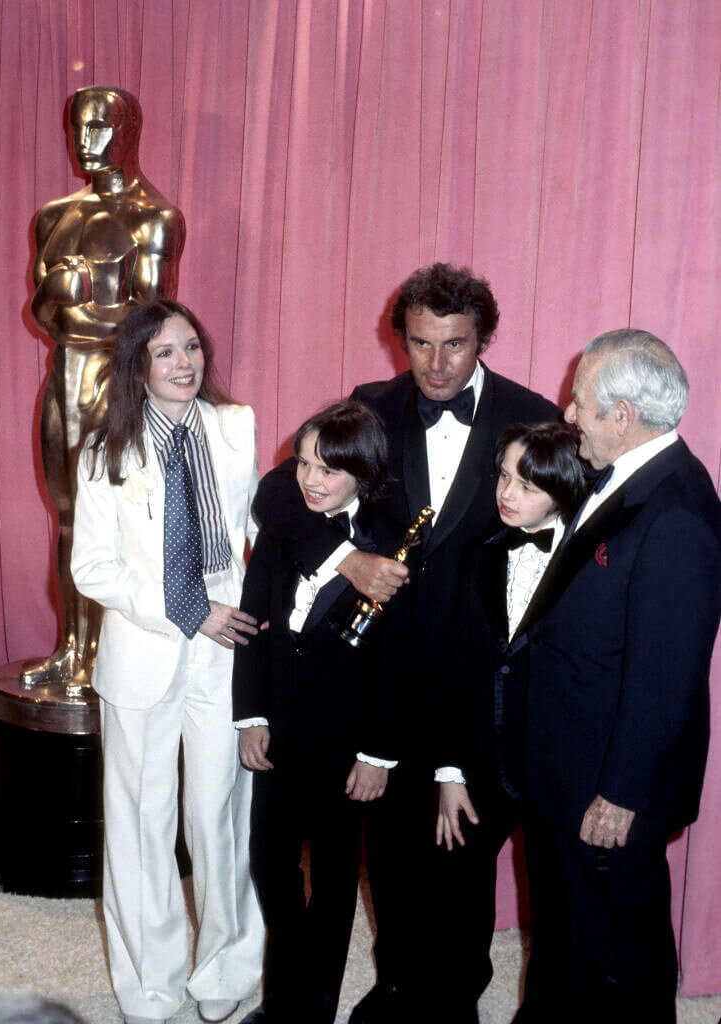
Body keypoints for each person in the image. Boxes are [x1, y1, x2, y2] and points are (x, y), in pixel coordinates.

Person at [251, 263, 559, 1023]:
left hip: (477, 683)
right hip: (378, 681)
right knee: (385, 857)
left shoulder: (532, 415)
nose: (435, 363)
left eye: (453, 344)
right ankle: (392, 990)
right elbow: (277, 493)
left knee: (461, 859)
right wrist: (344, 558)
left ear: (482, 337)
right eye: (419, 343)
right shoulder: (372, 407)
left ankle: (451, 1002)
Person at [517, 330, 721, 1023]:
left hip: (609, 780)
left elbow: (665, 673)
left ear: (621, 415)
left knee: (618, 949)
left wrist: (620, 794)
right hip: (568, 758)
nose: (567, 415)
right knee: (569, 933)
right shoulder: (630, 478)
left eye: (579, 403)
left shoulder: (675, 513)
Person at [71, 300, 264, 1024]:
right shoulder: (102, 451)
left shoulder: (235, 426)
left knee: (218, 815)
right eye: (165, 354)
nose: (185, 364)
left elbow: (260, 530)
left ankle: (226, 974)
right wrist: (184, 609)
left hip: (226, 642)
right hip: (145, 645)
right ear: (137, 369)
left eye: (191, 348)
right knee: (141, 821)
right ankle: (149, 987)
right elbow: (91, 568)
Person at [234, 401, 410, 1024]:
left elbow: (398, 664)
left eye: (327, 471)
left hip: (347, 747)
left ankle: (307, 1010)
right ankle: (290, 988)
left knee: (336, 882)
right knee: (267, 860)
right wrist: (251, 715)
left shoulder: (394, 546)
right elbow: (254, 622)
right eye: (303, 463)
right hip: (279, 731)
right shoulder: (288, 526)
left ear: (362, 476)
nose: (308, 480)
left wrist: (377, 754)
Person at [24, 86, 185, 692]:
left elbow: (150, 319)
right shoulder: (53, 216)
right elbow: (42, 313)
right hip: (63, 375)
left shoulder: (155, 218)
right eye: (78, 129)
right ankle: (71, 649)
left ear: (129, 131)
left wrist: (73, 298)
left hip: (118, 381)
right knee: (67, 518)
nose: (86, 144)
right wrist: (79, 298)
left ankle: (106, 659)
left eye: (100, 129)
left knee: (113, 523)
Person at [433, 422, 588, 1019]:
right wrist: (448, 769)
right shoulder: (479, 556)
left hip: (555, 765)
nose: (507, 492)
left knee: (556, 906)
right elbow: (453, 667)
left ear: (563, 486)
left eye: (526, 483)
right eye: (502, 476)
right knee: (458, 894)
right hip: (475, 760)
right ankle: (453, 1003)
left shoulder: (590, 562)